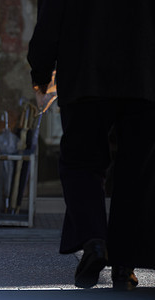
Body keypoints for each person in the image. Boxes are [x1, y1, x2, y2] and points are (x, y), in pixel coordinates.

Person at [27, 0, 155, 291]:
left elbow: (49, 22)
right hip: (143, 76)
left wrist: (41, 79)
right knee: (137, 173)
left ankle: (94, 241)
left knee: (80, 162)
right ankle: (124, 267)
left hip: (85, 75)